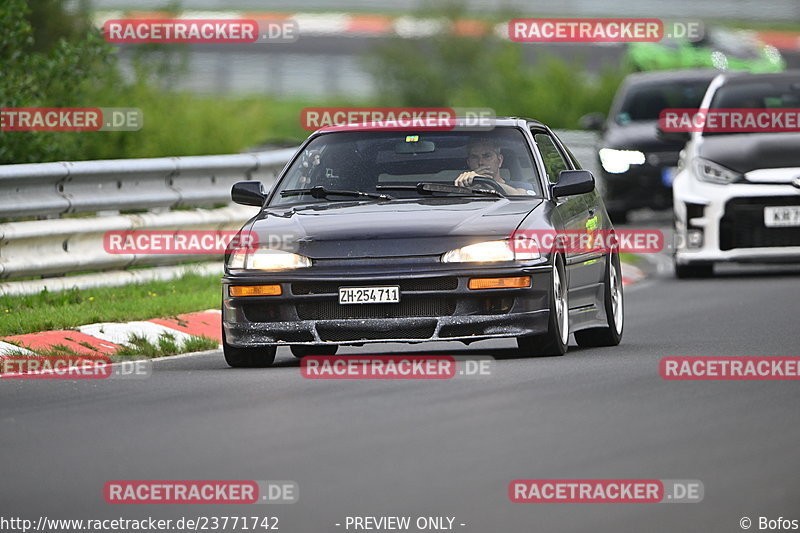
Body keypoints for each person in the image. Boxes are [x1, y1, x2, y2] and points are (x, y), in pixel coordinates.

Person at [454, 138, 534, 195]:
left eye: (487, 156)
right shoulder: (460, 189)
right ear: (469, 162)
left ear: (500, 160)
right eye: (474, 157)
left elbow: (522, 198)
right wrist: (464, 187)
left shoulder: (521, 186)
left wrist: (486, 182)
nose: (480, 162)